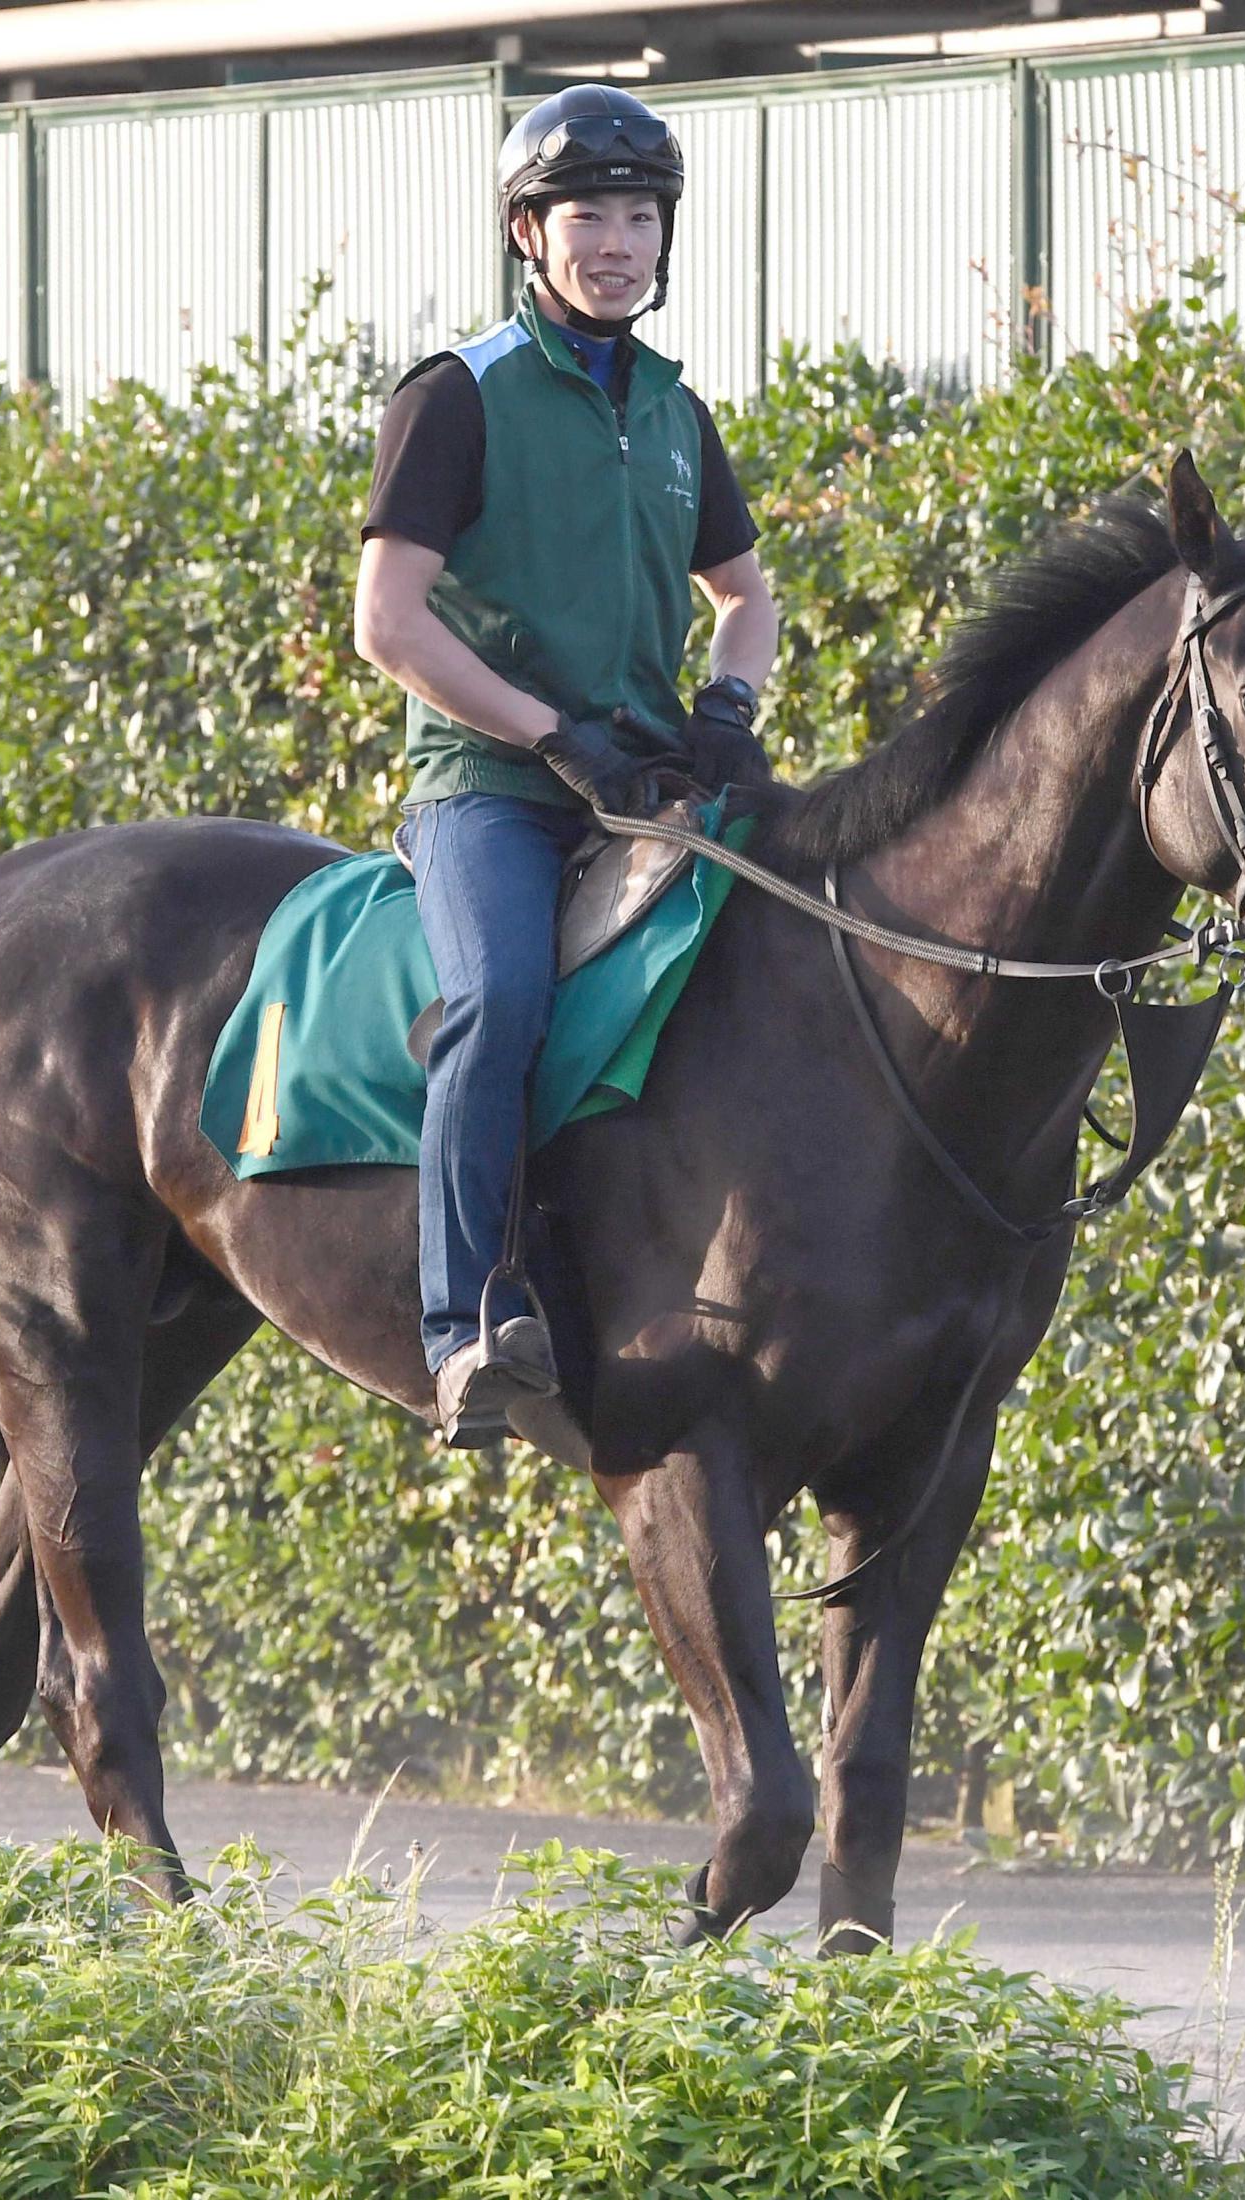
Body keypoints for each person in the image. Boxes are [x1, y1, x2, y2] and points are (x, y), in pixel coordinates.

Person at [355, 81, 779, 1446]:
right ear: (527, 236)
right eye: (585, 213)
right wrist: (549, 734)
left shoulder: (673, 411)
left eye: (638, 214)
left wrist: (726, 707)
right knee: (502, 998)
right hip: (494, 795)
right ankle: (464, 1325)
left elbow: (747, 597)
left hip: (649, 780)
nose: (617, 240)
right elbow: (389, 624)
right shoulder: (455, 396)